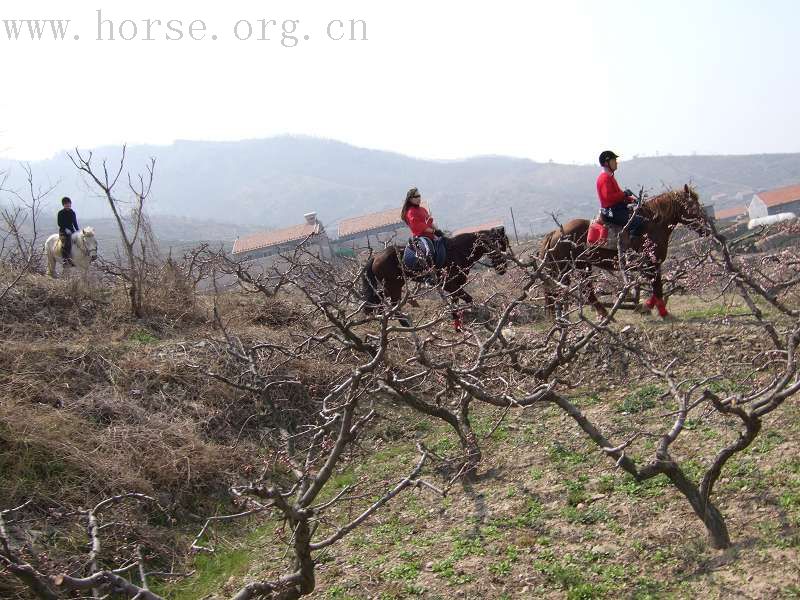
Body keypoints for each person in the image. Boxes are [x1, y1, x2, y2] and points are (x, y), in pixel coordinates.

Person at [596, 150, 644, 239]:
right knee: (639, 222)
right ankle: (632, 248)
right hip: (611, 212)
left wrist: (632, 199)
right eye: (613, 161)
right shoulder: (604, 178)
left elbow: (619, 195)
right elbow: (608, 197)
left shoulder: (609, 177)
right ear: (606, 163)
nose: (616, 163)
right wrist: (624, 194)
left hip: (615, 210)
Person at [400, 187, 444, 274]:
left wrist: (438, 230)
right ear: (410, 199)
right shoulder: (410, 212)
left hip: (431, 235)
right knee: (428, 251)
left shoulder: (423, 209)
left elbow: (430, 222)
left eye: (419, 196)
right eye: (415, 197)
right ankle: (428, 274)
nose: (418, 198)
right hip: (421, 237)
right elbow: (418, 226)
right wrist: (433, 231)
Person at [57, 196, 80, 266]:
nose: (68, 205)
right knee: (66, 243)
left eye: (69, 204)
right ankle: (65, 260)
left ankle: (77, 258)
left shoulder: (72, 212)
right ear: (63, 205)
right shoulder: (60, 213)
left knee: (79, 242)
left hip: (72, 230)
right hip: (63, 231)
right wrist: (65, 229)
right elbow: (59, 223)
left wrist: (78, 231)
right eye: (66, 204)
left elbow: (75, 223)